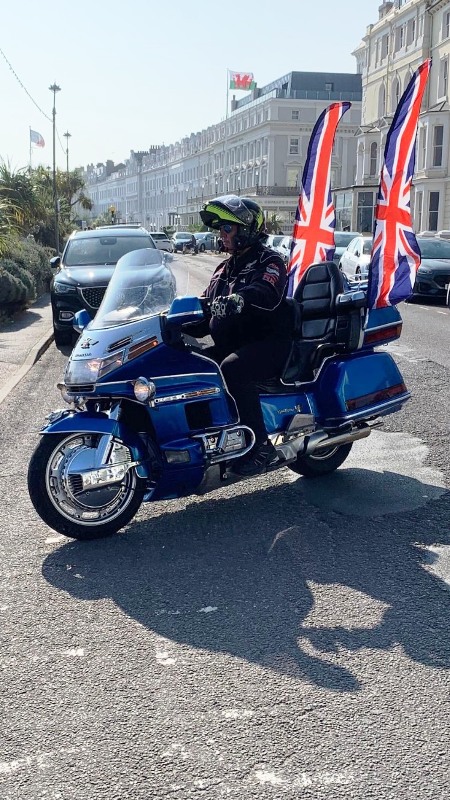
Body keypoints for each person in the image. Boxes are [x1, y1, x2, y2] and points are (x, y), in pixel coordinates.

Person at [195, 194, 293, 476]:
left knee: (233, 368)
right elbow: (205, 308)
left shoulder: (270, 261)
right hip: (234, 343)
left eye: (227, 228)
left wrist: (239, 299)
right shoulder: (223, 269)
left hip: (268, 343)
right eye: (220, 229)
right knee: (192, 366)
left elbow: (266, 293)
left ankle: (261, 448)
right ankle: (211, 438)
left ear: (247, 228)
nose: (222, 234)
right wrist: (173, 319)